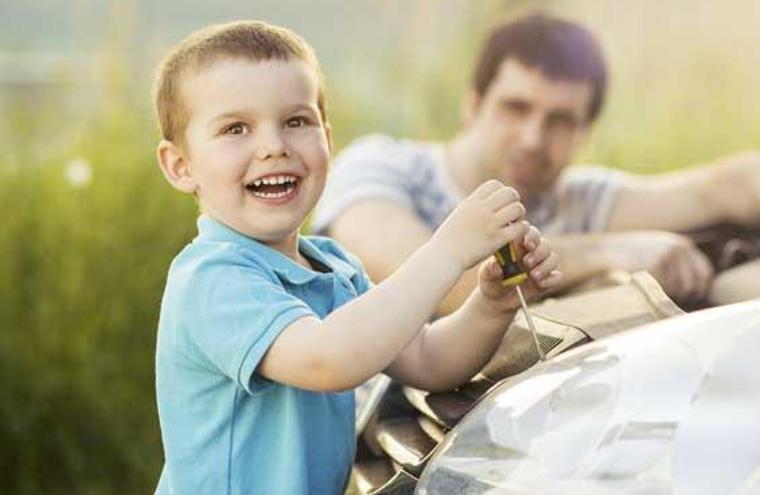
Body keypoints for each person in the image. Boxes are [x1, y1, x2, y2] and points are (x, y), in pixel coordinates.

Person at [151, 21, 560, 494]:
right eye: (235, 128)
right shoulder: (211, 279)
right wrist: (446, 251)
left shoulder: (332, 267)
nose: (273, 146)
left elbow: (428, 359)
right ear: (181, 166)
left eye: (296, 121)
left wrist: (491, 305)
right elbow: (329, 360)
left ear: (327, 138)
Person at [312, 12, 760, 313]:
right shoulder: (381, 167)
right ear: (472, 104)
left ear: (585, 132)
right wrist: (612, 250)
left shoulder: (576, 199)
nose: (534, 138)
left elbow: (722, 185)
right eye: (515, 108)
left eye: (560, 121)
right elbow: (428, 281)